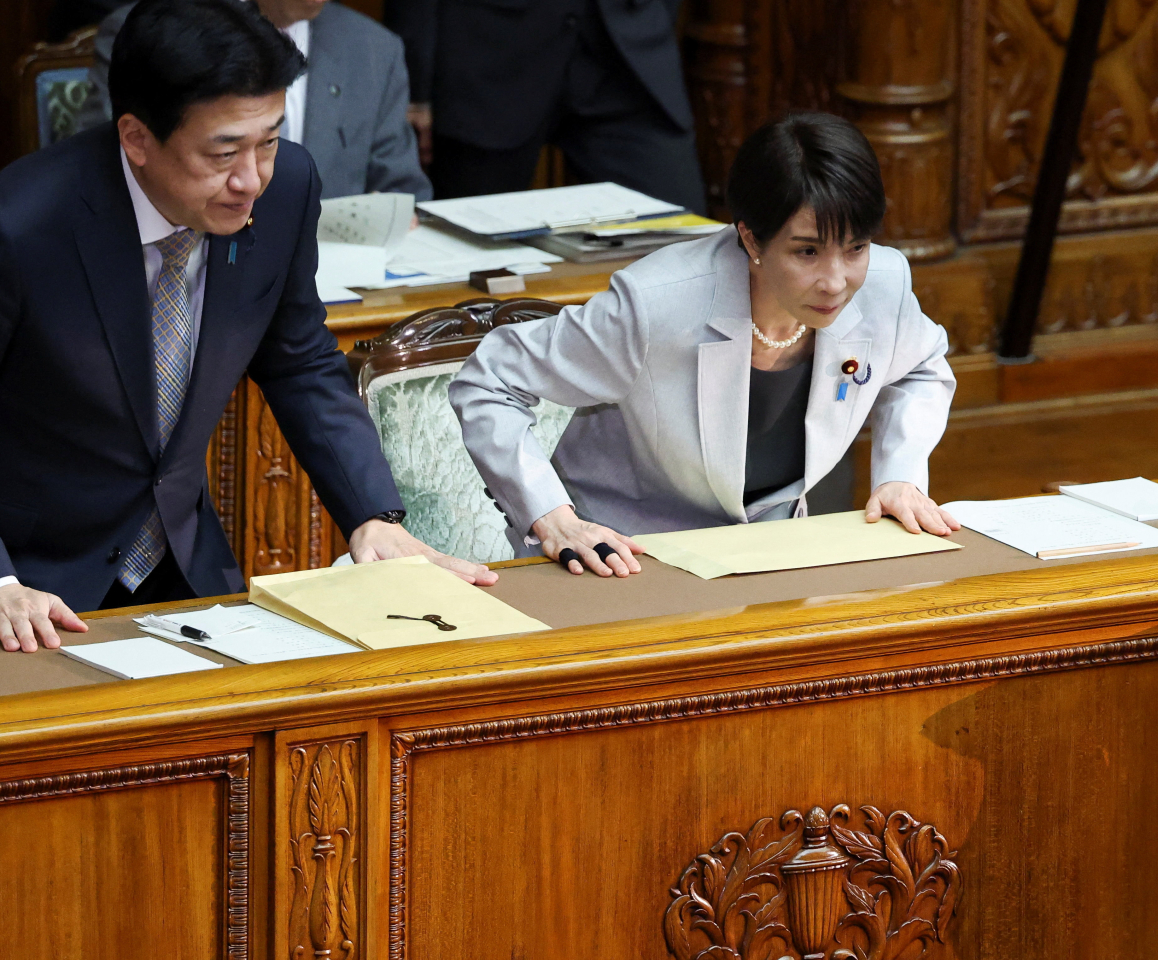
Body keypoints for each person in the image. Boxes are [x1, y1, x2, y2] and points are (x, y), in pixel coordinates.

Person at [0, 0, 493, 653]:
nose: (250, 179)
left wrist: (373, 517)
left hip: (185, 570)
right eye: (224, 151)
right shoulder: (23, 225)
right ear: (137, 138)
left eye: (268, 139)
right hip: (31, 587)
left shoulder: (286, 186)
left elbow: (299, 360)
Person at [450, 113, 960, 578]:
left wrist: (900, 475)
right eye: (807, 251)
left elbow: (922, 367)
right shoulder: (655, 304)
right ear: (752, 239)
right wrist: (549, 517)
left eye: (856, 248)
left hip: (771, 560)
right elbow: (490, 378)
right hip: (620, 561)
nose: (836, 281)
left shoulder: (883, 285)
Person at [78, 0, 432, 201]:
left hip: (337, 280)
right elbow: (103, 169)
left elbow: (402, 192)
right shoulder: (155, 33)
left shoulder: (373, 47)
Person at [384, 0, 705, 212]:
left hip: (626, 53)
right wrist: (416, 85)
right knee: (471, 265)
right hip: (488, 54)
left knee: (684, 240)